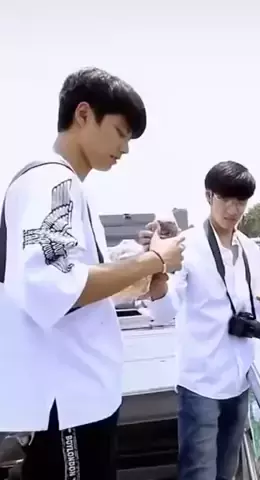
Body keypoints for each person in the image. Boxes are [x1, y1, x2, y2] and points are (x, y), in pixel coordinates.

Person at [0, 67, 185, 480]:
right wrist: (154, 261)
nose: (125, 149)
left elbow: (73, 281)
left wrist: (139, 261)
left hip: (81, 398)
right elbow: (53, 287)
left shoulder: (66, 187)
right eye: (120, 132)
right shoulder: (53, 182)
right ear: (83, 114)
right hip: (69, 400)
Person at [138, 161, 260, 480]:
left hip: (239, 378)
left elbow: (259, 310)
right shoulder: (185, 247)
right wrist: (156, 271)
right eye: (226, 199)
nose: (234, 209)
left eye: (241, 201)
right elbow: (164, 313)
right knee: (199, 472)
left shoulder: (251, 250)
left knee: (227, 471)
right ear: (209, 196)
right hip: (201, 383)